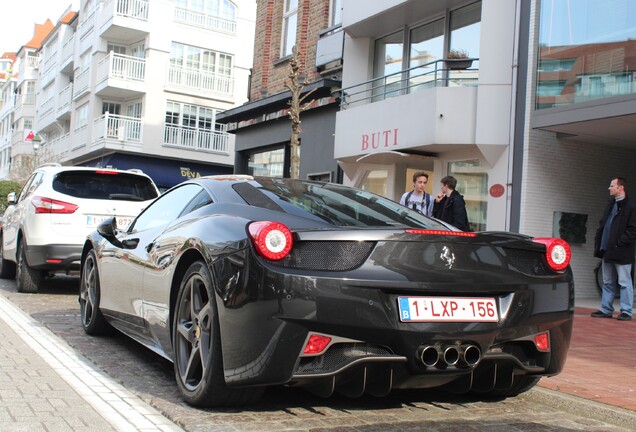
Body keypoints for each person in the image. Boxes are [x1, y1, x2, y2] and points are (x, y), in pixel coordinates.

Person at [592, 177, 635, 321]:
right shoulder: (610, 204)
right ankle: (606, 309)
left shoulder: (630, 206)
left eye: (612, 186)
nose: (609, 188)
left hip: (621, 252)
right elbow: (603, 224)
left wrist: (619, 243)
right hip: (607, 251)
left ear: (620, 187)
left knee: (624, 282)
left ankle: (626, 311)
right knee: (608, 281)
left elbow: (633, 230)